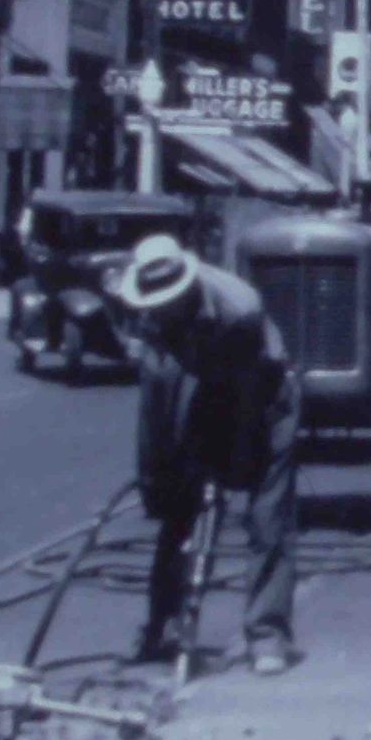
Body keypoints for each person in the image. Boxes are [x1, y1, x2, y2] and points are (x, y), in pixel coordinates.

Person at [117, 235, 301, 676]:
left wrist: (225, 468)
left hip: (263, 396)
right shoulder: (151, 317)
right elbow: (156, 404)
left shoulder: (239, 310)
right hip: (203, 386)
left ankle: (266, 634)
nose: (162, 312)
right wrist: (157, 478)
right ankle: (162, 624)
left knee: (266, 515)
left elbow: (243, 402)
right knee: (177, 509)